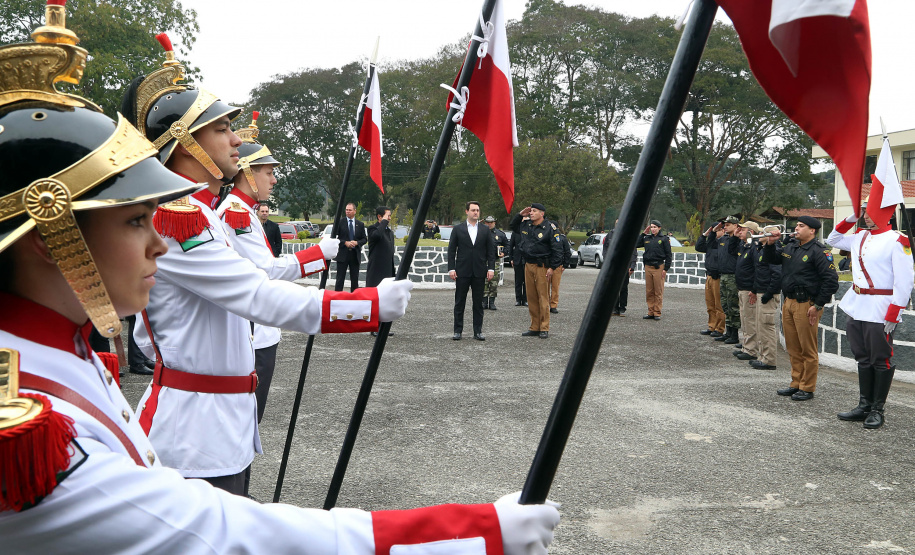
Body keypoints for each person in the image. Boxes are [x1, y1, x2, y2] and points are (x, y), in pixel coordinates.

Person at [0, 12, 559, 550]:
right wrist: (470, 535)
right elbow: (223, 534)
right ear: (51, 241)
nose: (155, 244)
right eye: (133, 219)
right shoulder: (27, 424)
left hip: (219, 413)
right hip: (194, 425)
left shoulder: (56, 348)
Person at [120, 34, 410, 495]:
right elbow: (255, 291)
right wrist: (366, 305)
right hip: (193, 431)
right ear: (182, 143)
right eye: (220, 130)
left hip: (219, 419)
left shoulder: (198, 212)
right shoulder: (174, 218)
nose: (236, 140)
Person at [216, 112, 337, 425]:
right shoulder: (236, 214)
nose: (274, 179)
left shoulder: (244, 210)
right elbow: (266, 271)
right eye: (268, 172)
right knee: (247, 422)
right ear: (248, 173)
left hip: (258, 331)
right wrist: (318, 253)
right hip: (254, 332)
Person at [827, 205, 914, 428]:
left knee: (880, 357)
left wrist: (895, 311)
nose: (865, 216)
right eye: (863, 212)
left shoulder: (897, 240)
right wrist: (852, 215)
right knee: (862, 356)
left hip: (880, 307)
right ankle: (864, 405)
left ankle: (877, 410)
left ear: (886, 214)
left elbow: (904, 280)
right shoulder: (860, 236)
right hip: (858, 304)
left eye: (869, 212)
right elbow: (833, 238)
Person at [762, 216, 839, 401]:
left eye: (801, 226)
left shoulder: (819, 251)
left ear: (812, 230)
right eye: (796, 225)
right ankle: (795, 382)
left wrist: (818, 305)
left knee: (807, 349)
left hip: (807, 304)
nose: (796, 228)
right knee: (793, 347)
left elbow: (831, 281)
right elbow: (772, 260)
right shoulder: (792, 246)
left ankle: (807, 387)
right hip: (789, 301)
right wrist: (771, 244)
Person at [510, 204, 562, 338]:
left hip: (542, 266)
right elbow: (513, 226)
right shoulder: (526, 225)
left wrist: (552, 267)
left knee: (543, 297)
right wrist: (520, 214)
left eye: (534, 211)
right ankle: (535, 326)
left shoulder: (550, 228)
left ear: (542, 214)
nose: (531, 213)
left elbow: (557, 249)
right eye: (531, 211)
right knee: (531, 297)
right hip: (528, 265)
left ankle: (544, 327)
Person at [448, 202, 496, 340]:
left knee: (478, 303)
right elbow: (451, 250)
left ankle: (478, 331)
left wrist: (491, 268)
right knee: (459, 302)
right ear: (467, 211)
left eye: (478, 210)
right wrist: (451, 268)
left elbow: (490, 251)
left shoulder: (485, 230)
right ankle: (457, 331)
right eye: (473, 210)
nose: (476, 212)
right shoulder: (458, 229)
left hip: (479, 271)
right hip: (462, 271)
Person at [748, 225, 782, 371]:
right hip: (761, 291)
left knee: (767, 327)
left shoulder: (775, 251)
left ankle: (769, 360)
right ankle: (762, 357)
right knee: (761, 327)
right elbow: (760, 272)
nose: (760, 234)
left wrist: (769, 293)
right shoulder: (763, 249)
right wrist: (755, 290)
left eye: (763, 233)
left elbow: (777, 274)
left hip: (768, 294)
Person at [366, 206, 397, 337]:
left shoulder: (389, 232)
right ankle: (374, 327)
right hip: (376, 270)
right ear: (380, 217)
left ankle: (384, 327)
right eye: (387, 216)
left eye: (389, 216)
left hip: (387, 270)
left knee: (387, 300)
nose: (389, 218)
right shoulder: (372, 229)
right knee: (375, 300)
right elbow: (377, 236)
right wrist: (383, 222)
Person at [731, 222, 758, 361]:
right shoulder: (744, 245)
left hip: (749, 289)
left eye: (743, 229)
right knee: (744, 319)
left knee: (750, 319)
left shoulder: (755, 247)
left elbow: (757, 269)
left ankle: (751, 350)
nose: (739, 230)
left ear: (751, 231)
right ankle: (746, 346)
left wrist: (754, 289)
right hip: (741, 287)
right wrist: (735, 237)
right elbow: (731, 251)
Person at [639, 220, 672, 320]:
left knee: (658, 290)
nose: (653, 229)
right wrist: (643, 233)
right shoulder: (647, 238)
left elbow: (668, 255)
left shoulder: (664, 239)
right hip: (648, 266)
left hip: (659, 267)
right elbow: (636, 244)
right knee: (649, 291)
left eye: (655, 227)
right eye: (651, 227)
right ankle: (650, 311)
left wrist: (665, 269)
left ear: (659, 228)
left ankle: (657, 312)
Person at [695, 223, 725, 336]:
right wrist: (705, 234)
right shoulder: (711, 243)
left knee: (719, 305)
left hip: (718, 277)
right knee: (710, 304)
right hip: (709, 276)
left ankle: (720, 328)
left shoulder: (724, 243)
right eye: (714, 230)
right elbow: (698, 247)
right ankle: (712, 326)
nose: (716, 232)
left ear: (723, 230)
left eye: (717, 230)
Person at [604, 219, 638, 316]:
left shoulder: (629, 235)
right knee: (613, 288)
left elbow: (633, 252)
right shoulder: (610, 235)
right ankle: (614, 308)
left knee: (623, 288)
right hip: (613, 265)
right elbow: (605, 248)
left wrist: (632, 266)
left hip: (625, 266)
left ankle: (622, 308)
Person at [716, 216, 741, 344]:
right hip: (723, 274)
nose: (725, 226)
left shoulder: (738, 240)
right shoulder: (723, 239)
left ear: (736, 226)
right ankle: (728, 332)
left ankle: (734, 334)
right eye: (725, 225)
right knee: (725, 304)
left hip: (732, 275)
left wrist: (736, 238)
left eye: (729, 224)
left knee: (733, 305)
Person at [334, 202, 367, 291]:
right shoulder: (340, 222)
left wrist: (357, 243)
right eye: (346, 210)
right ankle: (337, 297)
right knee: (340, 279)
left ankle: (354, 298)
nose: (347, 212)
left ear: (355, 211)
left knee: (354, 279)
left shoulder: (360, 224)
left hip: (354, 255)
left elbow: (364, 239)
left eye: (350, 210)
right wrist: (344, 242)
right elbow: (334, 238)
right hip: (342, 254)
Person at [483, 215, 509, 310]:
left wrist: (504, 252)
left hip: (495, 260)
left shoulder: (500, 234)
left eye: (491, 222)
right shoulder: (480, 232)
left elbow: (507, 245)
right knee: (483, 281)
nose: (489, 224)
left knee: (494, 281)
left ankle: (492, 302)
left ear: (495, 223)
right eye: (487, 222)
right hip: (483, 261)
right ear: (484, 223)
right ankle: (484, 301)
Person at [549, 225, 573, 314]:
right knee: (544, 287)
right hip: (546, 265)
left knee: (555, 287)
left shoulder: (561, 238)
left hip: (557, 266)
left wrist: (565, 265)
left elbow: (567, 252)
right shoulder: (545, 237)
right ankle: (544, 304)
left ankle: (553, 305)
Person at [510, 222, 527, 306]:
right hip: (517, 259)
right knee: (518, 281)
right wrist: (511, 258)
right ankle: (518, 299)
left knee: (527, 281)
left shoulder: (529, 231)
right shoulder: (515, 233)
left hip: (527, 259)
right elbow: (511, 246)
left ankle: (525, 299)